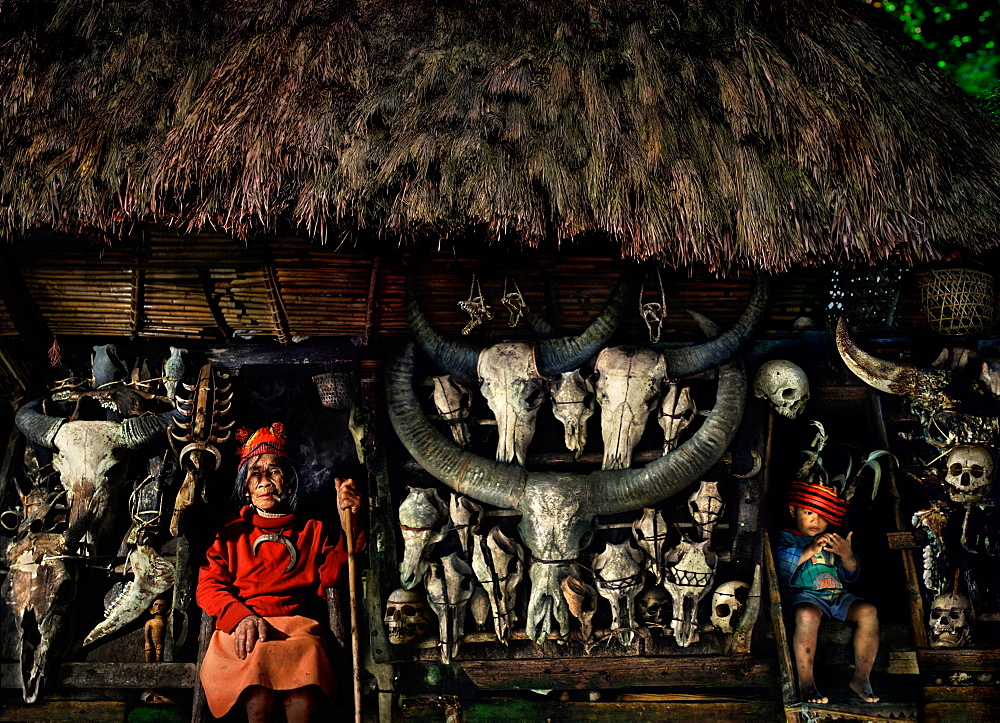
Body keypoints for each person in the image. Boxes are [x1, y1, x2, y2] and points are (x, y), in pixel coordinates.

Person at [196, 423, 363, 722]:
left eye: (274, 471)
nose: (264, 482)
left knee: (303, 698)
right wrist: (240, 617)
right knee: (258, 698)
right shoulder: (231, 534)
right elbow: (208, 586)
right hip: (244, 632)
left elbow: (333, 577)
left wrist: (348, 521)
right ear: (245, 488)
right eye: (255, 475)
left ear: (290, 480)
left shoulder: (313, 530)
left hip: (297, 633)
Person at [775, 481, 879, 705]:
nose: (815, 520)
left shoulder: (833, 538)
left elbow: (851, 575)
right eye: (808, 512)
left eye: (822, 515)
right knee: (806, 615)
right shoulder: (786, 537)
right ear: (793, 510)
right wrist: (811, 549)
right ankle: (806, 684)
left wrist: (847, 555)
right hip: (805, 596)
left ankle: (861, 679)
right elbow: (781, 567)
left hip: (837, 595)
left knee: (868, 611)